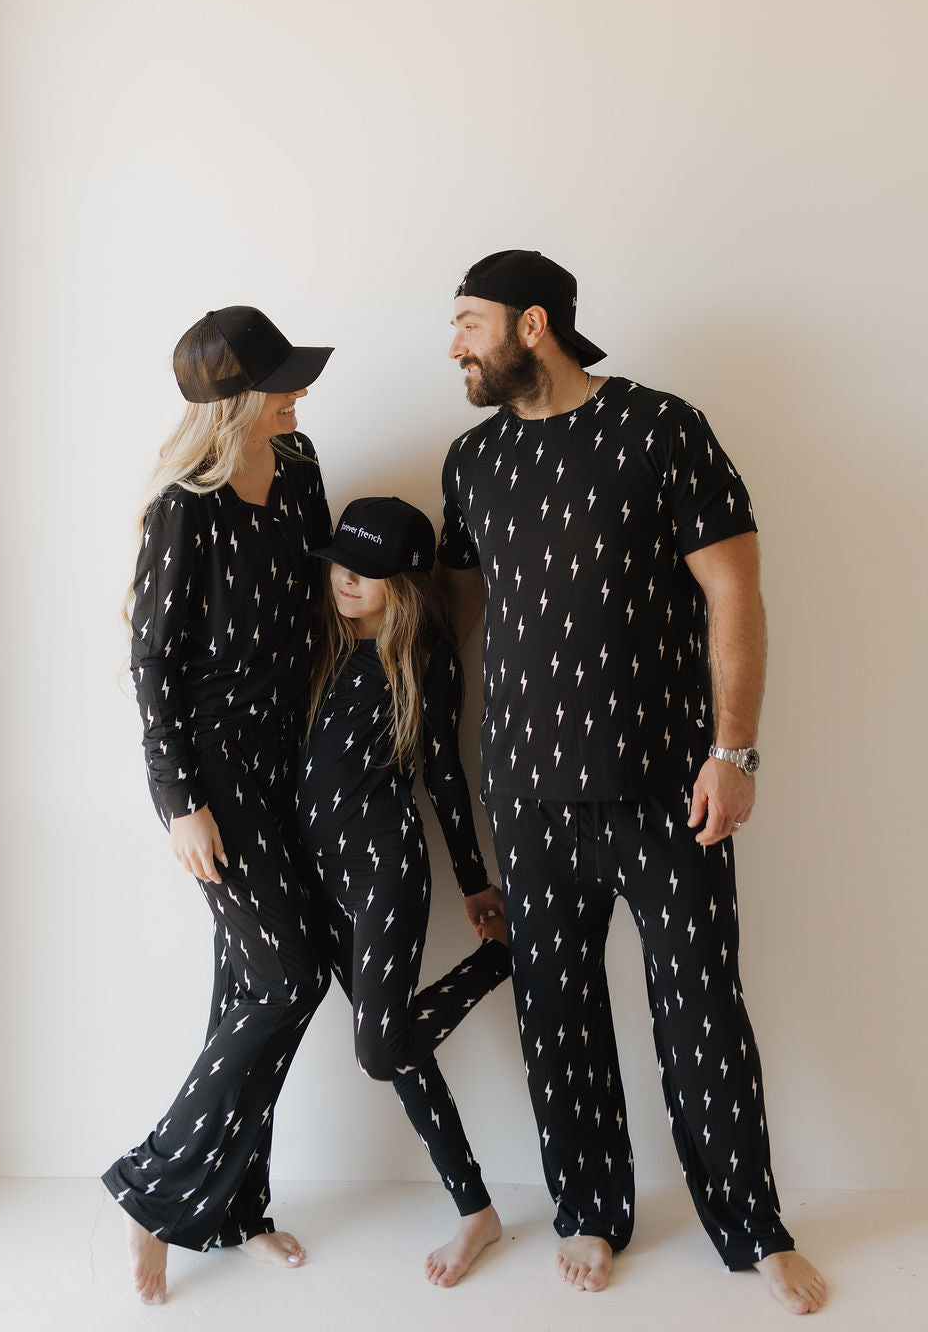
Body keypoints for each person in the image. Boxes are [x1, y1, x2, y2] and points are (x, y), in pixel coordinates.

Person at [435, 250, 827, 1315]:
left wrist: (733, 752)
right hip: (526, 793)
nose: (453, 343)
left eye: (468, 321)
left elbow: (734, 591)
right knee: (555, 1019)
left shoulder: (662, 428)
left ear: (532, 324)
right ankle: (589, 1213)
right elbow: (466, 620)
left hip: (667, 786)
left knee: (701, 1010)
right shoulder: (469, 463)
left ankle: (750, 1228)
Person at [102, 306, 334, 1305]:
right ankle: (153, 1189)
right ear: (235, 399)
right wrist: (178, 802)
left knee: (248, 990)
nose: (300, 394)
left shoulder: (301, 466)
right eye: (282, 381)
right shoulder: (183, 509)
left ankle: (234, 1207)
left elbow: (323, 599)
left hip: (293, 761)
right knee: (292, 976)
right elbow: (151, 665)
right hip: (217, 780)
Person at [296, 496, 511, 1287]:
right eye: (340, 565)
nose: (345, 581)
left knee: (380, 1047)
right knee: (403, 1057)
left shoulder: (421, 659)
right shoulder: (314, 639)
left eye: (367, 572)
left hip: (385, 869)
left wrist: (475, 880)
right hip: (315, 876)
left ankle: (499, 963)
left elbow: (447, 777)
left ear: (408, 584)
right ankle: (476, 1209)